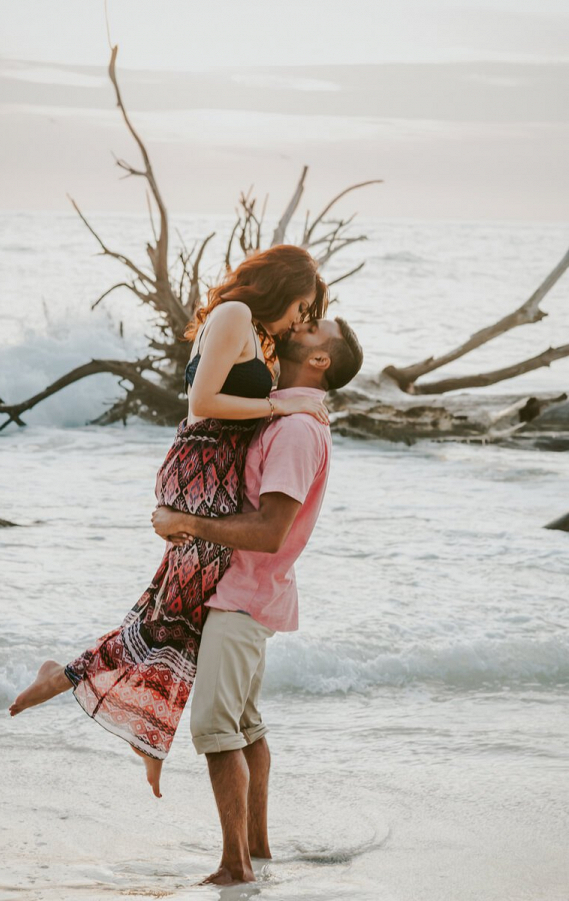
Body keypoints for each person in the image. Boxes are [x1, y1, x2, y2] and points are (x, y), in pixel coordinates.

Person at [8, 245, 330, 796]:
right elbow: (204, 400)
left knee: (178, 611)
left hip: (219, 474)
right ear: (279, 287)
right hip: (199, 467)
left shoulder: (258, 332)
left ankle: (146, 730)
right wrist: (282, 407)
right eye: (302, 305)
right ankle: (65, 679)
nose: (302, 318)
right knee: (173, 609)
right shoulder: (233, 317)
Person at [151, 315, 364, 885]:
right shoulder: (286, 413)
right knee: (244, 726)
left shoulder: (296, 430)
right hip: (249, 591)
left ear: (321, 362)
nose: (305, 322)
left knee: (217, 729)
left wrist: (185, 522)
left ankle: (234, 866)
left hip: (244, 593)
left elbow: (271, 529)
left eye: (318, 327)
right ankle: (258, 851)